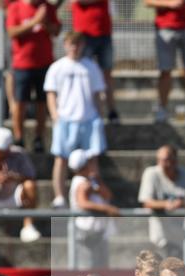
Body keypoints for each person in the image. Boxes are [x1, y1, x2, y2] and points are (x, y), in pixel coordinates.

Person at [45, 32, 107, 208]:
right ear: (65, 45)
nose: (75, 47)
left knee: (92, 159)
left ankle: (94, 192)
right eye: (71, 43)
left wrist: (99, 116)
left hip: (89, 119)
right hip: (65, 119)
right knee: (61, 159)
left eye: (78, 43)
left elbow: (97, 94)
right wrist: (55, 116)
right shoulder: (57, 67)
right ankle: (59, 196)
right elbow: (51, 93)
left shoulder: (91, 67)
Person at [7, 0, 61, 152]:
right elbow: (12, 32)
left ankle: (39, 138)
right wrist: (35, 21)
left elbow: (56, 31)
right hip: (22, 64)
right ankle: (19, 138)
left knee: (42, 103)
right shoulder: (15, 7)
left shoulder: (47, 7)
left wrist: (44, 23)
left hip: (45, 64)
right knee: (20, 103)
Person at [138, 145, 185, 258]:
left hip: (184, 235)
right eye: (160, 160)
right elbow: (146, 202)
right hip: (161, 237)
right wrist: (166, 204)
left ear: (175, 160)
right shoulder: (151, 173)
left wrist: (182, 204)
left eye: (167, 160)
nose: (164, 164)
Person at [146, 0, 185, 124]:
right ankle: (162, 109)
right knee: (165, 71)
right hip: (165, 28)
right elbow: (147, 2)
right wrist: (169, 3)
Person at [70, 0, 120, 122]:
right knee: (83, 74)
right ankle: (84, 109)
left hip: (104, 34)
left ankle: (111, 111)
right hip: (84, 35)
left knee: (107, 74)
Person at [69, 149, 119, 269]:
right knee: (88, 272)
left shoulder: (91, 180)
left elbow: (108, 195)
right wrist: (107, 209)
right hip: (86, 232)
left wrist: (97, 184)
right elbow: (83, 203)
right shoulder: (81, 183)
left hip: (97, 232)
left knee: (100, 269)